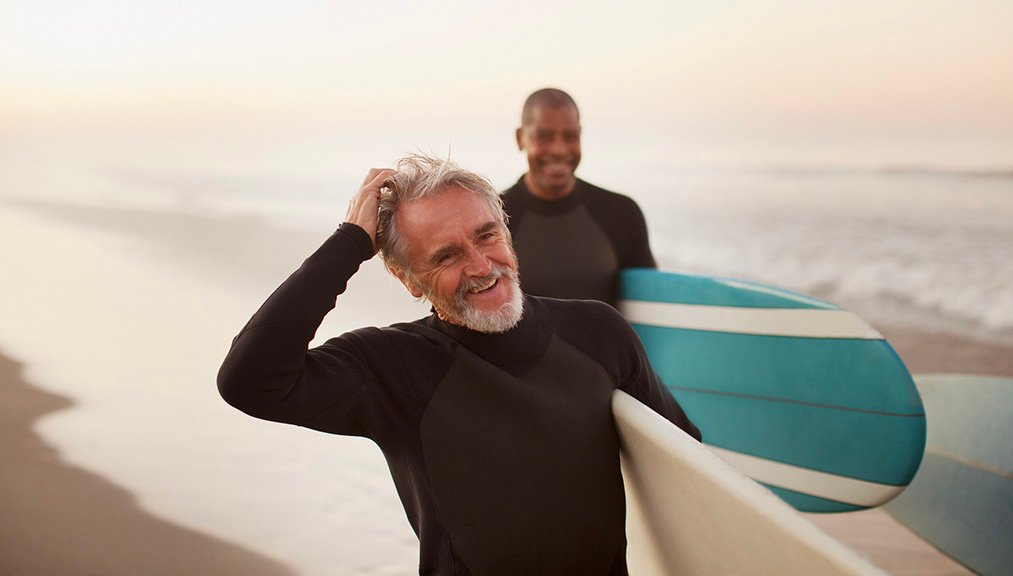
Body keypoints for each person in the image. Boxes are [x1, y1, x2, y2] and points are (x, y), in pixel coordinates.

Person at [217, 153, 700, 576]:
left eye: (487, 235)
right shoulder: (393, 368)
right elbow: (249, 381)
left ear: (507, 232)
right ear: (408, 280)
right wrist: (349, 244)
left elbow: (685, 460)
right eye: (446, 256)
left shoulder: (598, 331)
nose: (481, 265)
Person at [502, 88, 656, 306]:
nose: (559, 149)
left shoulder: (622, 213)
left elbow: (650, 309)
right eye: (544, 136)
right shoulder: (495, 219)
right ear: (520, 138)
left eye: (570, 136)